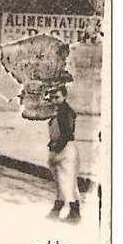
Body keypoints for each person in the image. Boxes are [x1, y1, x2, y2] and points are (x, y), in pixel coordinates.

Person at [47, 84, 81, 222]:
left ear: (64, 96)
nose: (54, 100)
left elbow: (66, 134)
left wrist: (56, 149)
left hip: (66, 149)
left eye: (57, 97)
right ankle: (58, 208)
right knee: (60, 180)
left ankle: (74, 212)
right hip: (59, 147)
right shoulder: (58, 111)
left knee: (67, 181)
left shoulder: (66, 112)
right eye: (52, 98)